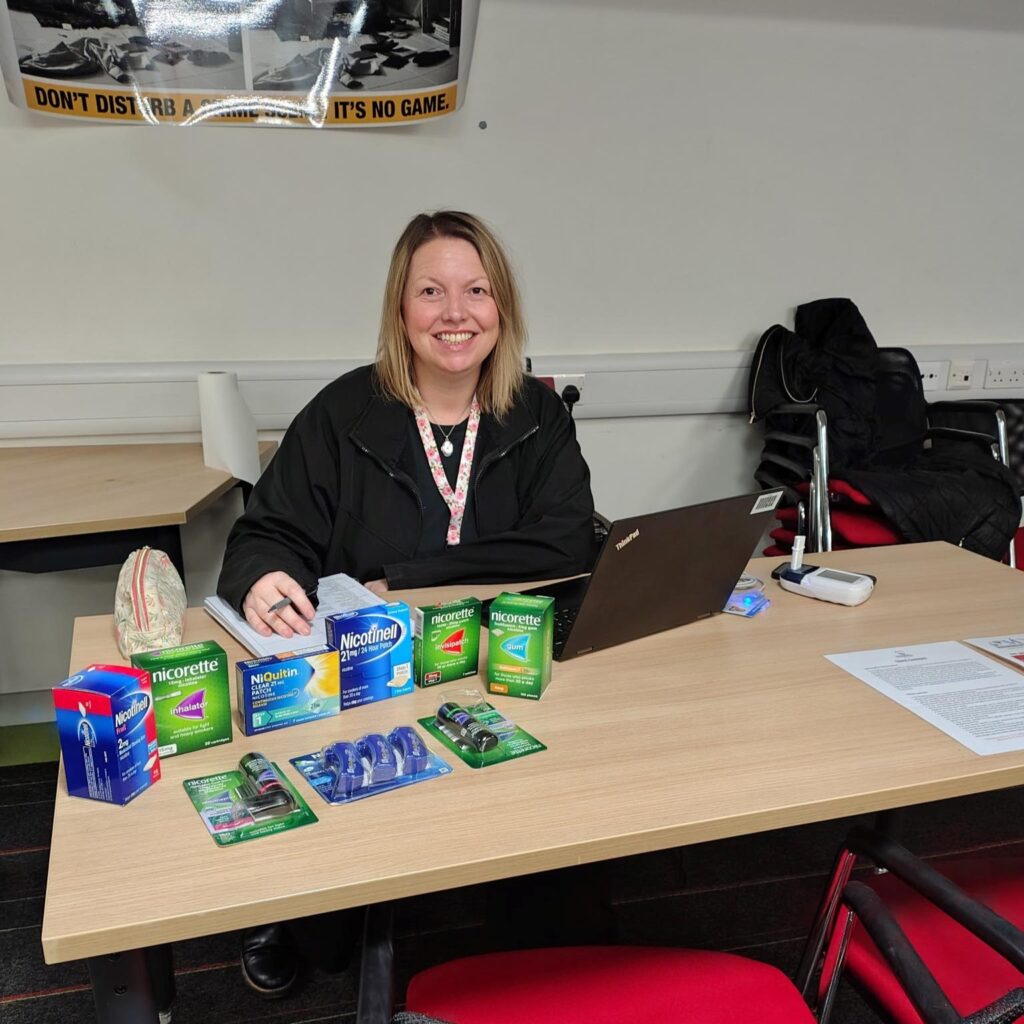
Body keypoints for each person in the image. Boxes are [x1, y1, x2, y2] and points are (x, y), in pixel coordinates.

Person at [217, 210, 596, 997]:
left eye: (476, 291)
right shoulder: (343, 413)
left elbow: (567, 542)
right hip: (369, 676)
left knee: (563, 878)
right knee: (334, 884)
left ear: (503, 309)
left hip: (494, 664)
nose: (456, 314)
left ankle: (549, 953)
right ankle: (299, 915)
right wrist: (261, 575)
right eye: (431, 291)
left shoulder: (538, 413)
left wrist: (410, 573)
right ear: (401, 310)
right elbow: (267, 532)